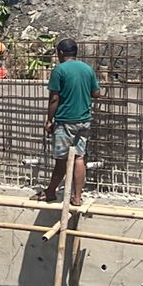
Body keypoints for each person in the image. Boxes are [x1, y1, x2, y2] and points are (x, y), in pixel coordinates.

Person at [35, 37, 99, 206]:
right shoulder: (87, 69)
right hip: (84, 120)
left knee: (61, 160)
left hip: (65, 121)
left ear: (61, 53)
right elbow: (96, 93)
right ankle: (77, 198)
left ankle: (50, 192)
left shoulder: (59, 70)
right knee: (79, 157)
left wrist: (49, 120)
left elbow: (54, 98)